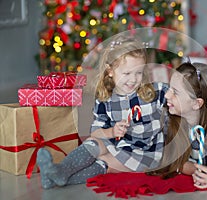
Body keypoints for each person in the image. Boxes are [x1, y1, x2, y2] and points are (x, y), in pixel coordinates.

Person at [37, 36, 169, 189]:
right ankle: (59, 171)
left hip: (145, 153)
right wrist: (112, 131)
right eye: (126, 74)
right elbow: (95, 132)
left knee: (104, 161)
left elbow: (177, 96)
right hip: (118, 144)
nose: (133, 79)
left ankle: (55, 177)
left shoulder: (153, 91)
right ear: (110, 71)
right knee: (92, 145)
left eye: (138, 73)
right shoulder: (105, 99)